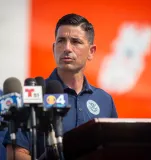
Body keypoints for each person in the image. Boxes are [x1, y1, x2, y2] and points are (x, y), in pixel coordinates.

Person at [3, 13, 118, 160]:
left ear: (91, 51)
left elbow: (113, 151)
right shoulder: (33, 94)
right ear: (53, 48)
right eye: (61, 41)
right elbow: (16, 154)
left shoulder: (104, 99)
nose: (67, 48)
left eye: (76, 41)